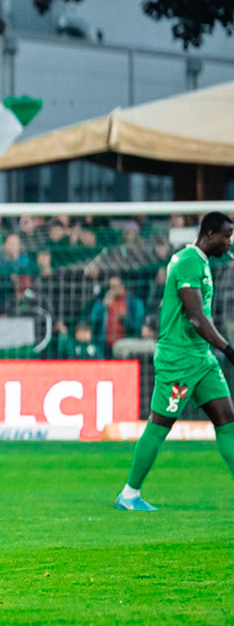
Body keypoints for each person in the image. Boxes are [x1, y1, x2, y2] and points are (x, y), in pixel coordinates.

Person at [115, 212, 234, 510]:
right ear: (209, 234)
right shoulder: (189, 261)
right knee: (160, 424)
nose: (229, 241)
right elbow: (195, 317)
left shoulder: (201, 263)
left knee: (226, 419)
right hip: (178, 359)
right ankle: (129, 494)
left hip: (201, 358)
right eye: (226, 236)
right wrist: (228, 349)